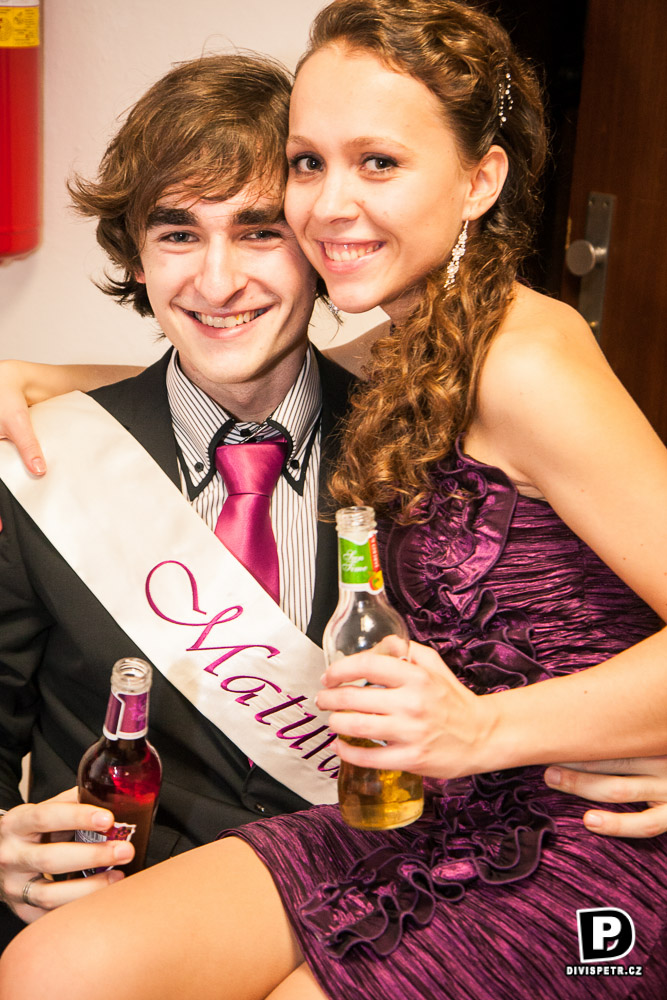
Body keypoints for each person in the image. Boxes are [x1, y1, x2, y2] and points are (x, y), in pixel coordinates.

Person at [2, 1, 667, 997]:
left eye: (379, 163)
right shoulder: (410, 355)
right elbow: (237, 373)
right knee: (53, 969)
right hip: (396, 814)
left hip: (540, 819)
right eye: (309, 164)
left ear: (479, 179)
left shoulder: (512, 364)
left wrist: (493, 732)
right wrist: (35, 377)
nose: (331, 205)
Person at [0, 52, 358, 943]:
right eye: (178, 234)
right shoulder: (46, 458)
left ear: (319, 245)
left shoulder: (417, 456)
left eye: (259, 231)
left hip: (355, 932)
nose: (217, 281)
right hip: (101, 936)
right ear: (136, 254)